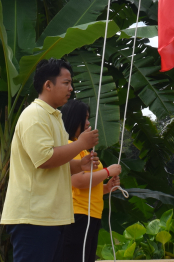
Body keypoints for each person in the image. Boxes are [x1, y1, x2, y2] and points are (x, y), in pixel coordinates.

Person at [0, 58, 100, 262]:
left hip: (49, 216)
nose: (71, 88)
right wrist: (80, 144)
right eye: (66, 83)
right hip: (34, 216)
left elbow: (58, 161)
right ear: (48, 85)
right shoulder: (34, 115)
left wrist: (79, 164)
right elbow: (44, 159)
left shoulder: (54, 117)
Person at [53, 99, 123, 262]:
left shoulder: (81, 150)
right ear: (73, 119)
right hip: (78, 215)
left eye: (87, 118)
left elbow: (86, 184)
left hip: (90, 215)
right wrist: (107, 171)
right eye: (83, 118)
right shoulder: (69, 146)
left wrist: (106, 188)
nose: (87, 123)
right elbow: (78, 181)